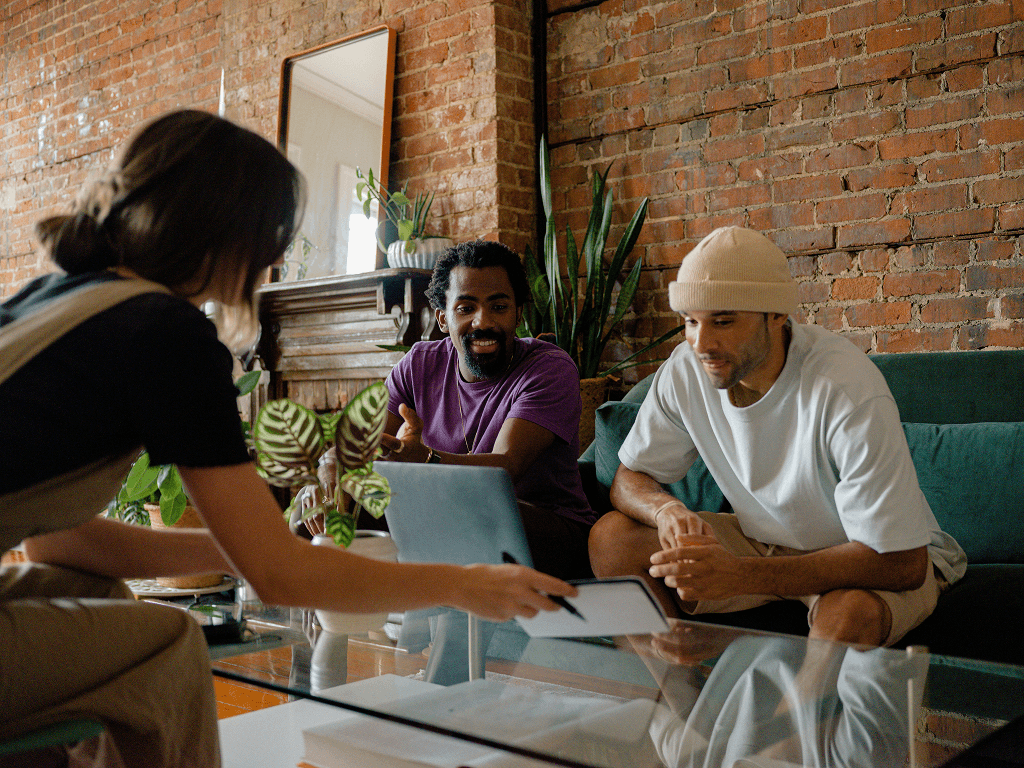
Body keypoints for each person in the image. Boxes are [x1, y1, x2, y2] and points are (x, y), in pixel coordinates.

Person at [0, 109, 575, 768]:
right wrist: (459, 584)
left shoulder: (52, 299)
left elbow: (61, 540)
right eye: (274, 231)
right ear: (224, 225)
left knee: (96, 598)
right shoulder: (162, 333)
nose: (275, 258)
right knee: (166, 645)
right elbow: (278, 575)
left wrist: (253, 544)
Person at [588, 226, 966, 647]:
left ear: (777, 315)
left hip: (861, 554)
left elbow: (903, 563)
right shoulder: (685, 371)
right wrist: (664, 510)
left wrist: (739, 575)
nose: (702, 343)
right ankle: (678, 704)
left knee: (850, 612)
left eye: (724, 321)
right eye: (691, 322)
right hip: (765, 543)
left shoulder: (844, 388)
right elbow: (628, 480)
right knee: (612, 540)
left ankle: (797, 711)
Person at [378, 239, 597, 581]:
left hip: (549, 531)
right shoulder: (418, 364)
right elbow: (365, 445)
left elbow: (504, 471)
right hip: (446, 519)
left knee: (463, 517)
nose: (483, 322)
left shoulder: (549, 368)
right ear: (442, 318)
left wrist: (425, 460)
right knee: (321, 516)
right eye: (466, 308)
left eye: (498, 307)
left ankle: (428, 625)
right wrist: (330, 470)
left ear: (518, 313)